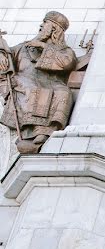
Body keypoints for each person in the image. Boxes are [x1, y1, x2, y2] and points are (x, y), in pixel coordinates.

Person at [0, 11, 77, 154]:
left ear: (54, 29)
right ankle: (30, 131)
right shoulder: (23, 47)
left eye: (45, 23)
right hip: (24, 78)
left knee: (64, 93)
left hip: (52, 82)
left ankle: (46, 131)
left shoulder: (64, 50)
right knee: (32, 88)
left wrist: (44, 47)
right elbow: (7, 54)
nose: (41, 25)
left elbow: (67, 63)